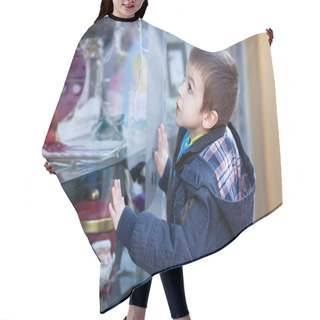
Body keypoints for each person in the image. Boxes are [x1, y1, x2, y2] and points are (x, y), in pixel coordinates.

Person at [44, 1, 274, 320]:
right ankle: (160, 314)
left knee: (158, 227)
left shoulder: (149, 34)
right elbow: (75, 97)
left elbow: (201, 64)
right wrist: (60, 149)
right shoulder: (94, 37)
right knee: (149, 231)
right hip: (113, 155)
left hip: (148, 149)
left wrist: (255, 50)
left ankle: (143, 314)